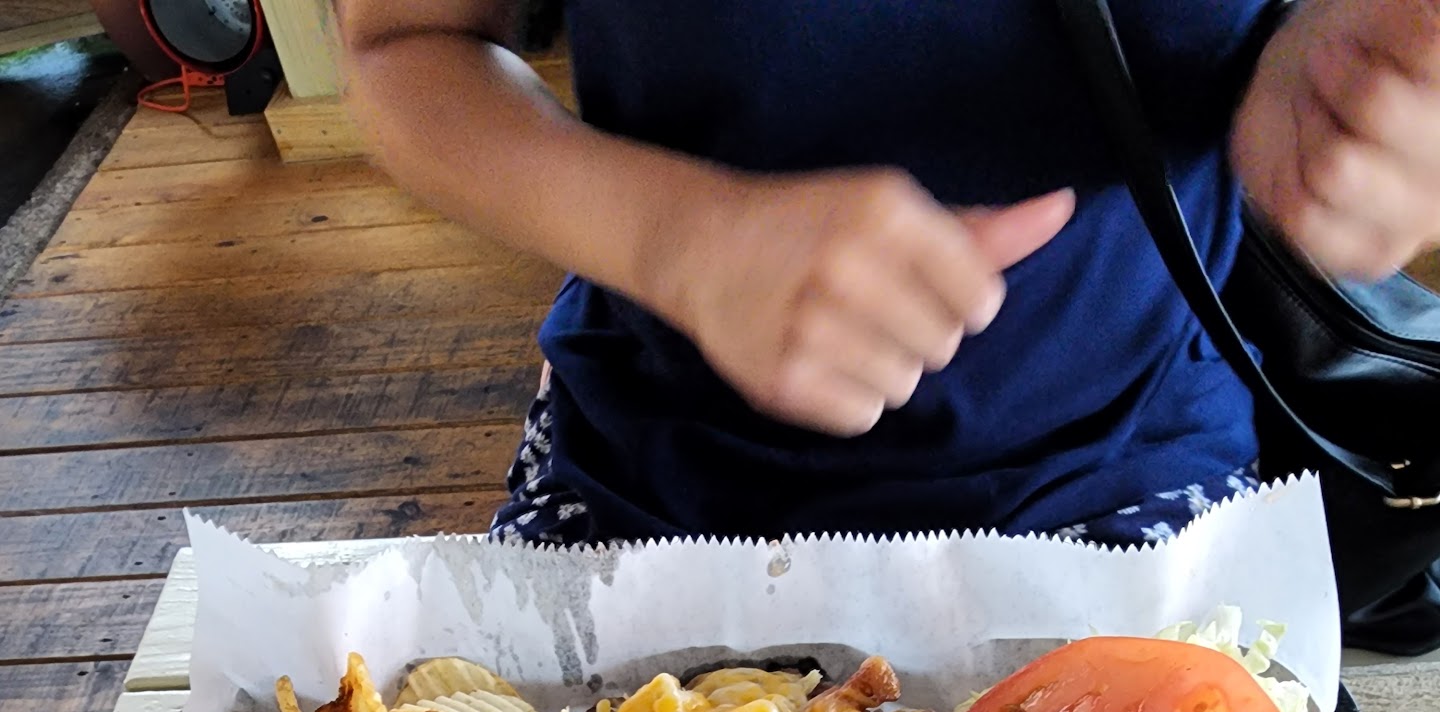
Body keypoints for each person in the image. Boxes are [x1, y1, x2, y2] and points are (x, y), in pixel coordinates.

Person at [339, 0, 1440, 551]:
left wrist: (1354, 91)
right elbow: (406, 44)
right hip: (658, 464)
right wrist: (678, 237)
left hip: (1135, 453)